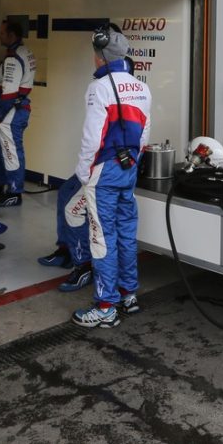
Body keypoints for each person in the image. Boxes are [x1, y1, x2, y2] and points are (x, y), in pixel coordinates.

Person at [70, 24, 152, 328]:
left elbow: (92, 138)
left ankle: (106, 306)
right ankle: (128, 295)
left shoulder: (99, 87)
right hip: (129, 168)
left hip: (102, 171)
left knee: (101, 237)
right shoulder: (141, 86)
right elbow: (144, 133)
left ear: (100, 56)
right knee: (126, 232)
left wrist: (83, 172)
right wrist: (131, 161)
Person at [0, 19, 36, 207]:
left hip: (11, 112)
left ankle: (14, 192)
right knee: (2, 151)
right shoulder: (26, 52)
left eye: (2, 33)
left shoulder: (13, 58)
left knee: (11, 153)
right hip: (17, 109)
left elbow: (8, 93)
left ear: (11, 35)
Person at [37, 175, 95, 293]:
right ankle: (67, 251)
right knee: (65, 192)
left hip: (104, 167)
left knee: (73, 209)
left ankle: (84, 266)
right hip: (89, 166)